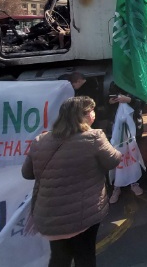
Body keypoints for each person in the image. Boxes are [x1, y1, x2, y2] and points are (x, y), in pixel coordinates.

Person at [21, 96, 122, 267]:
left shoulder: (40, 140)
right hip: (84, 214)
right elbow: (113, 161)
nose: (94, 114)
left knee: (60, 258)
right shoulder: (94, 137)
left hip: (50, 216)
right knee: (85, 256)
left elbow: (27, 173)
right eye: (91, 111)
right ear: (82, 115)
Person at [107, 83, 146, 201]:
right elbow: (106, 101)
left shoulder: (136, 81)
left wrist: (129, 100)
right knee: (116, 157)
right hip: (116, 129)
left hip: (133, 127)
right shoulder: (114, 83)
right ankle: (116, 186)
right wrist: (111, 101)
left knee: (132, 155)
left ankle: (134, 183)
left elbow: (143, 101)